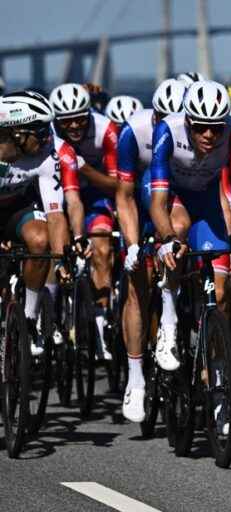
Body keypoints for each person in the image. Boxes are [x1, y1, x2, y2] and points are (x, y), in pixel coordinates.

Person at [149, 79, 231, 431]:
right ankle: (168, 321)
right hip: (175, 198)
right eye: (201, 127)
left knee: (222, 293)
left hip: (208, 201)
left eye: (215, 127)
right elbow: (158, 201)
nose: (209, 135)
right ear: (188, 121)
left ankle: (219, 379)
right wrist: (165, 240)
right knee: (177, 230)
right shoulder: (168, 130)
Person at [115, 77, 186, 422]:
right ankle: (136, 379)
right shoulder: (133, 133)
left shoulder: (186, 139)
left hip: (171, 201)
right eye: (163, 119)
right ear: (154, 117)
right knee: (136, 288)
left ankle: (176, 318)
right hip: (138, 208)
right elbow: (124, 195)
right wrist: (131, 245)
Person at [0, 91, 76, 352]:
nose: (48, 137)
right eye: (41, 131)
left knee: (40, 239)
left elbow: (55, 214)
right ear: (18, 132)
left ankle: (29, 319)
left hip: (15, 209)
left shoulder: (46, 154)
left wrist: (61, 258)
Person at [50, 82, 119, 361]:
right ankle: (51, 312)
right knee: (53, 247)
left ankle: (100, 323)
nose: (75, 125)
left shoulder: (106, 130)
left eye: (80, 118)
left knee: (102, 249)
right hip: (57, 196)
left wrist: (86, 169)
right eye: (67, 120)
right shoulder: (48, 135)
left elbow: (116, 186)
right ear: (56, 120)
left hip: (95, 196)